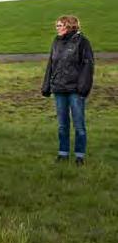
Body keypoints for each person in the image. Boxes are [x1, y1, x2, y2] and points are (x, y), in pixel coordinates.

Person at [41, 15, 94, 165]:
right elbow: (51, 64)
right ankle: (63, 153)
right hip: (59, 89)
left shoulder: (82, 42)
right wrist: (46, 86)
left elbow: (88, 66)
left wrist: (82, 88)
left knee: (79, 125)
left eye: (59, 25)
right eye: (57, 25)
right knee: (62, 125)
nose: (56, 28)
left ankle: (79, 156)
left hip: (75, 90)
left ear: (69, 26)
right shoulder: (56, 42)